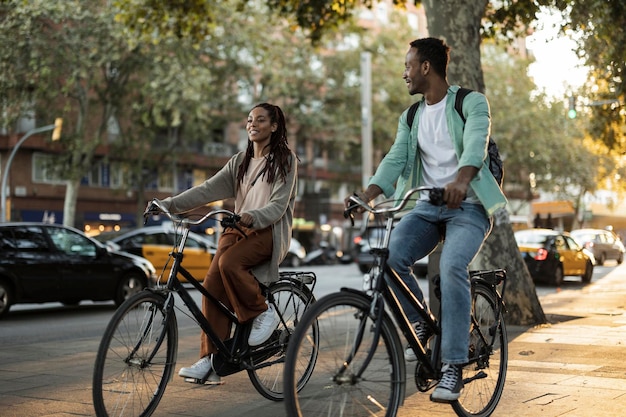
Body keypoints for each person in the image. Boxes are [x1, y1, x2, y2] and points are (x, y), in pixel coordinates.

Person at [346, 38, 507, 402]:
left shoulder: (471, 102)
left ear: (425, 68)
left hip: (468, 206)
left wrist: (461, 181)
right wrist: (366, 196)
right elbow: (395, 159)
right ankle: (421, 323)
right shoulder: (412, 115)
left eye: (407, 65)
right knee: (388, 258)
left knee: (451, 266)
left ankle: (452, 364)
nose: (403, 73)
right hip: (426, 206)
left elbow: (475, 144)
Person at [156, 103, 298, 384]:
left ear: (274, 126)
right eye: (249, 120)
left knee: (229, 263)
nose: (252, 124)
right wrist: (168, 204)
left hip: (268, 232)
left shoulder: (285, 160)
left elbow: (278, 207)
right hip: (238, 230)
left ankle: (262, 311)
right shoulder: (240, 162)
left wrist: (250, 216)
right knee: (210, 289)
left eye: (260, 120)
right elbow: (207, 189)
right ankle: (211, 361)